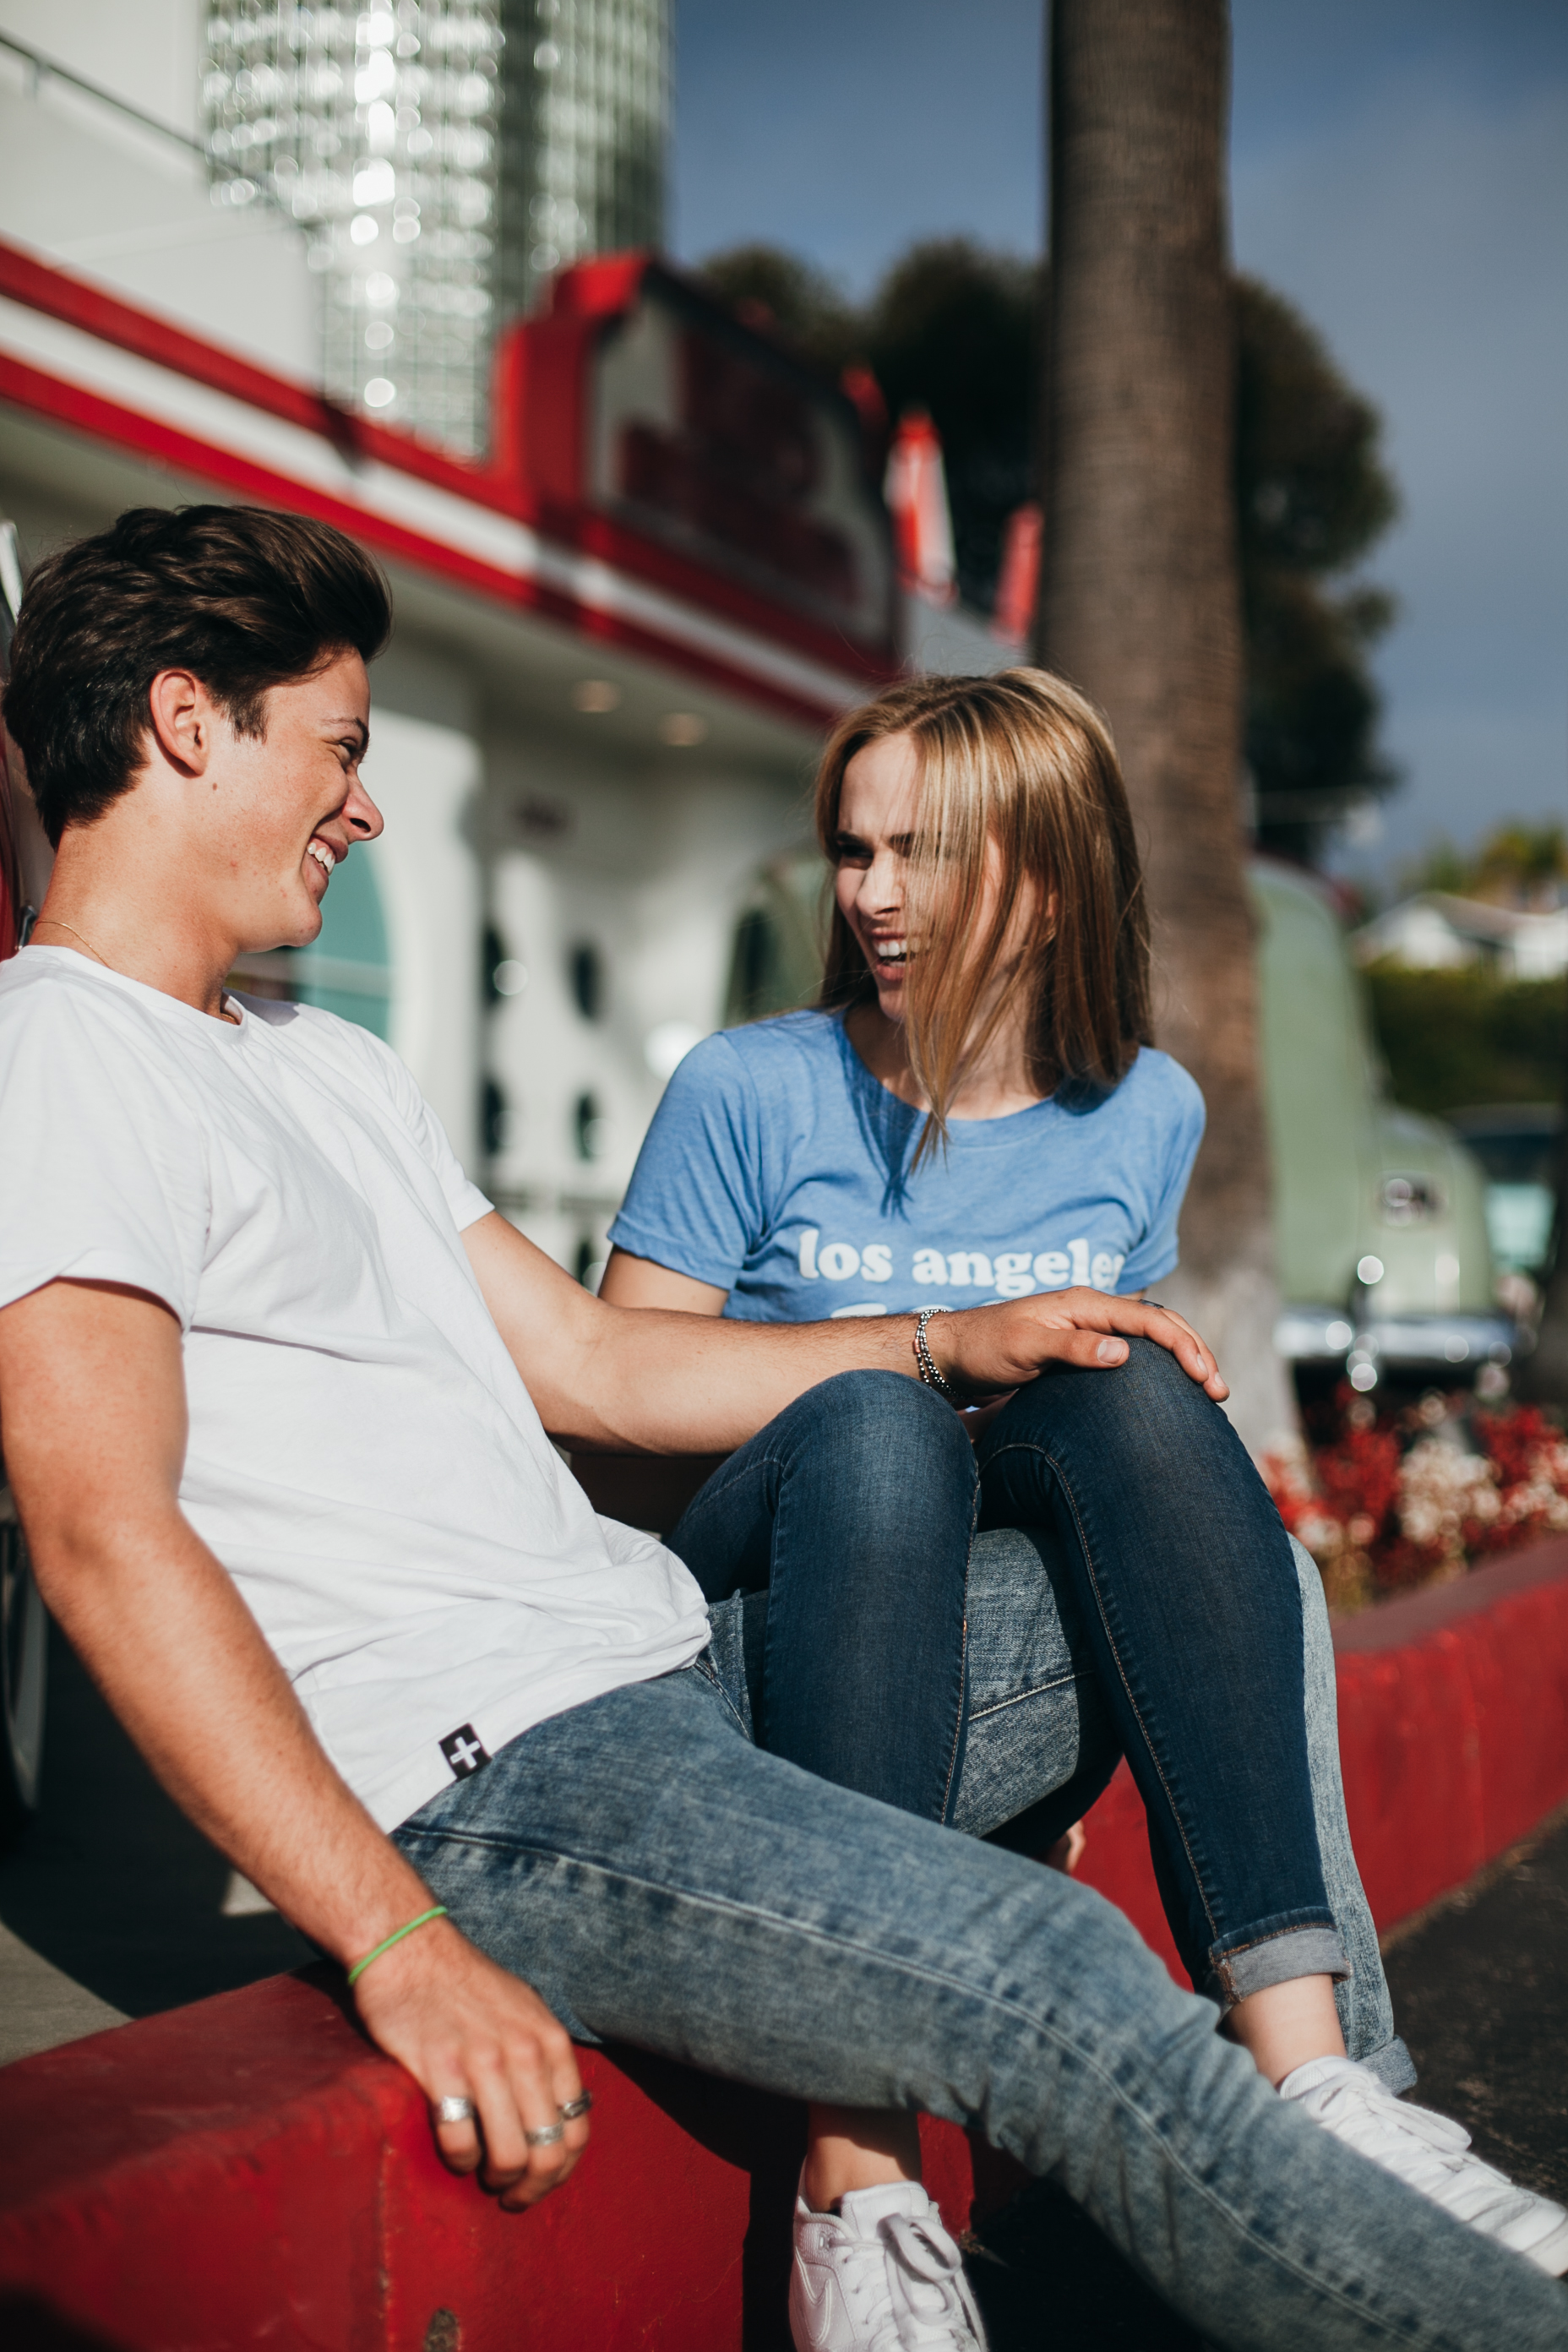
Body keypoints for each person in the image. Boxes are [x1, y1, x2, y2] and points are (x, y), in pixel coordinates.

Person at [0, 508, 1562, 2352]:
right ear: (190, 723)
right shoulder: (64, 1058)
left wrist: (954, 1336)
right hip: (503, 1779)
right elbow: (106, 1530)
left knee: (1195, 1549)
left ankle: (1331, 2086)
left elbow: (590, 1363)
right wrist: (397, 1939)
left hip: (677, 1674)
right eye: (339, 745)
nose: (369, 803)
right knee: (1042, 1967)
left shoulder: (319, 1061)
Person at [601, 665, 1568, 2315]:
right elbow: (613, 1424)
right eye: (854, 850)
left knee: (1138, 1398)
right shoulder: (749, 1090)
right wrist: (923, 1351)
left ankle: (1317, 2080)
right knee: (878, 1427)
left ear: (1042, 879)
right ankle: (863, 2177)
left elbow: (1105, 1490)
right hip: (774, 1601)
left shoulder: (1143, 1111)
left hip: (982, 1620)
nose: (872, 894)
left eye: (920, 852)